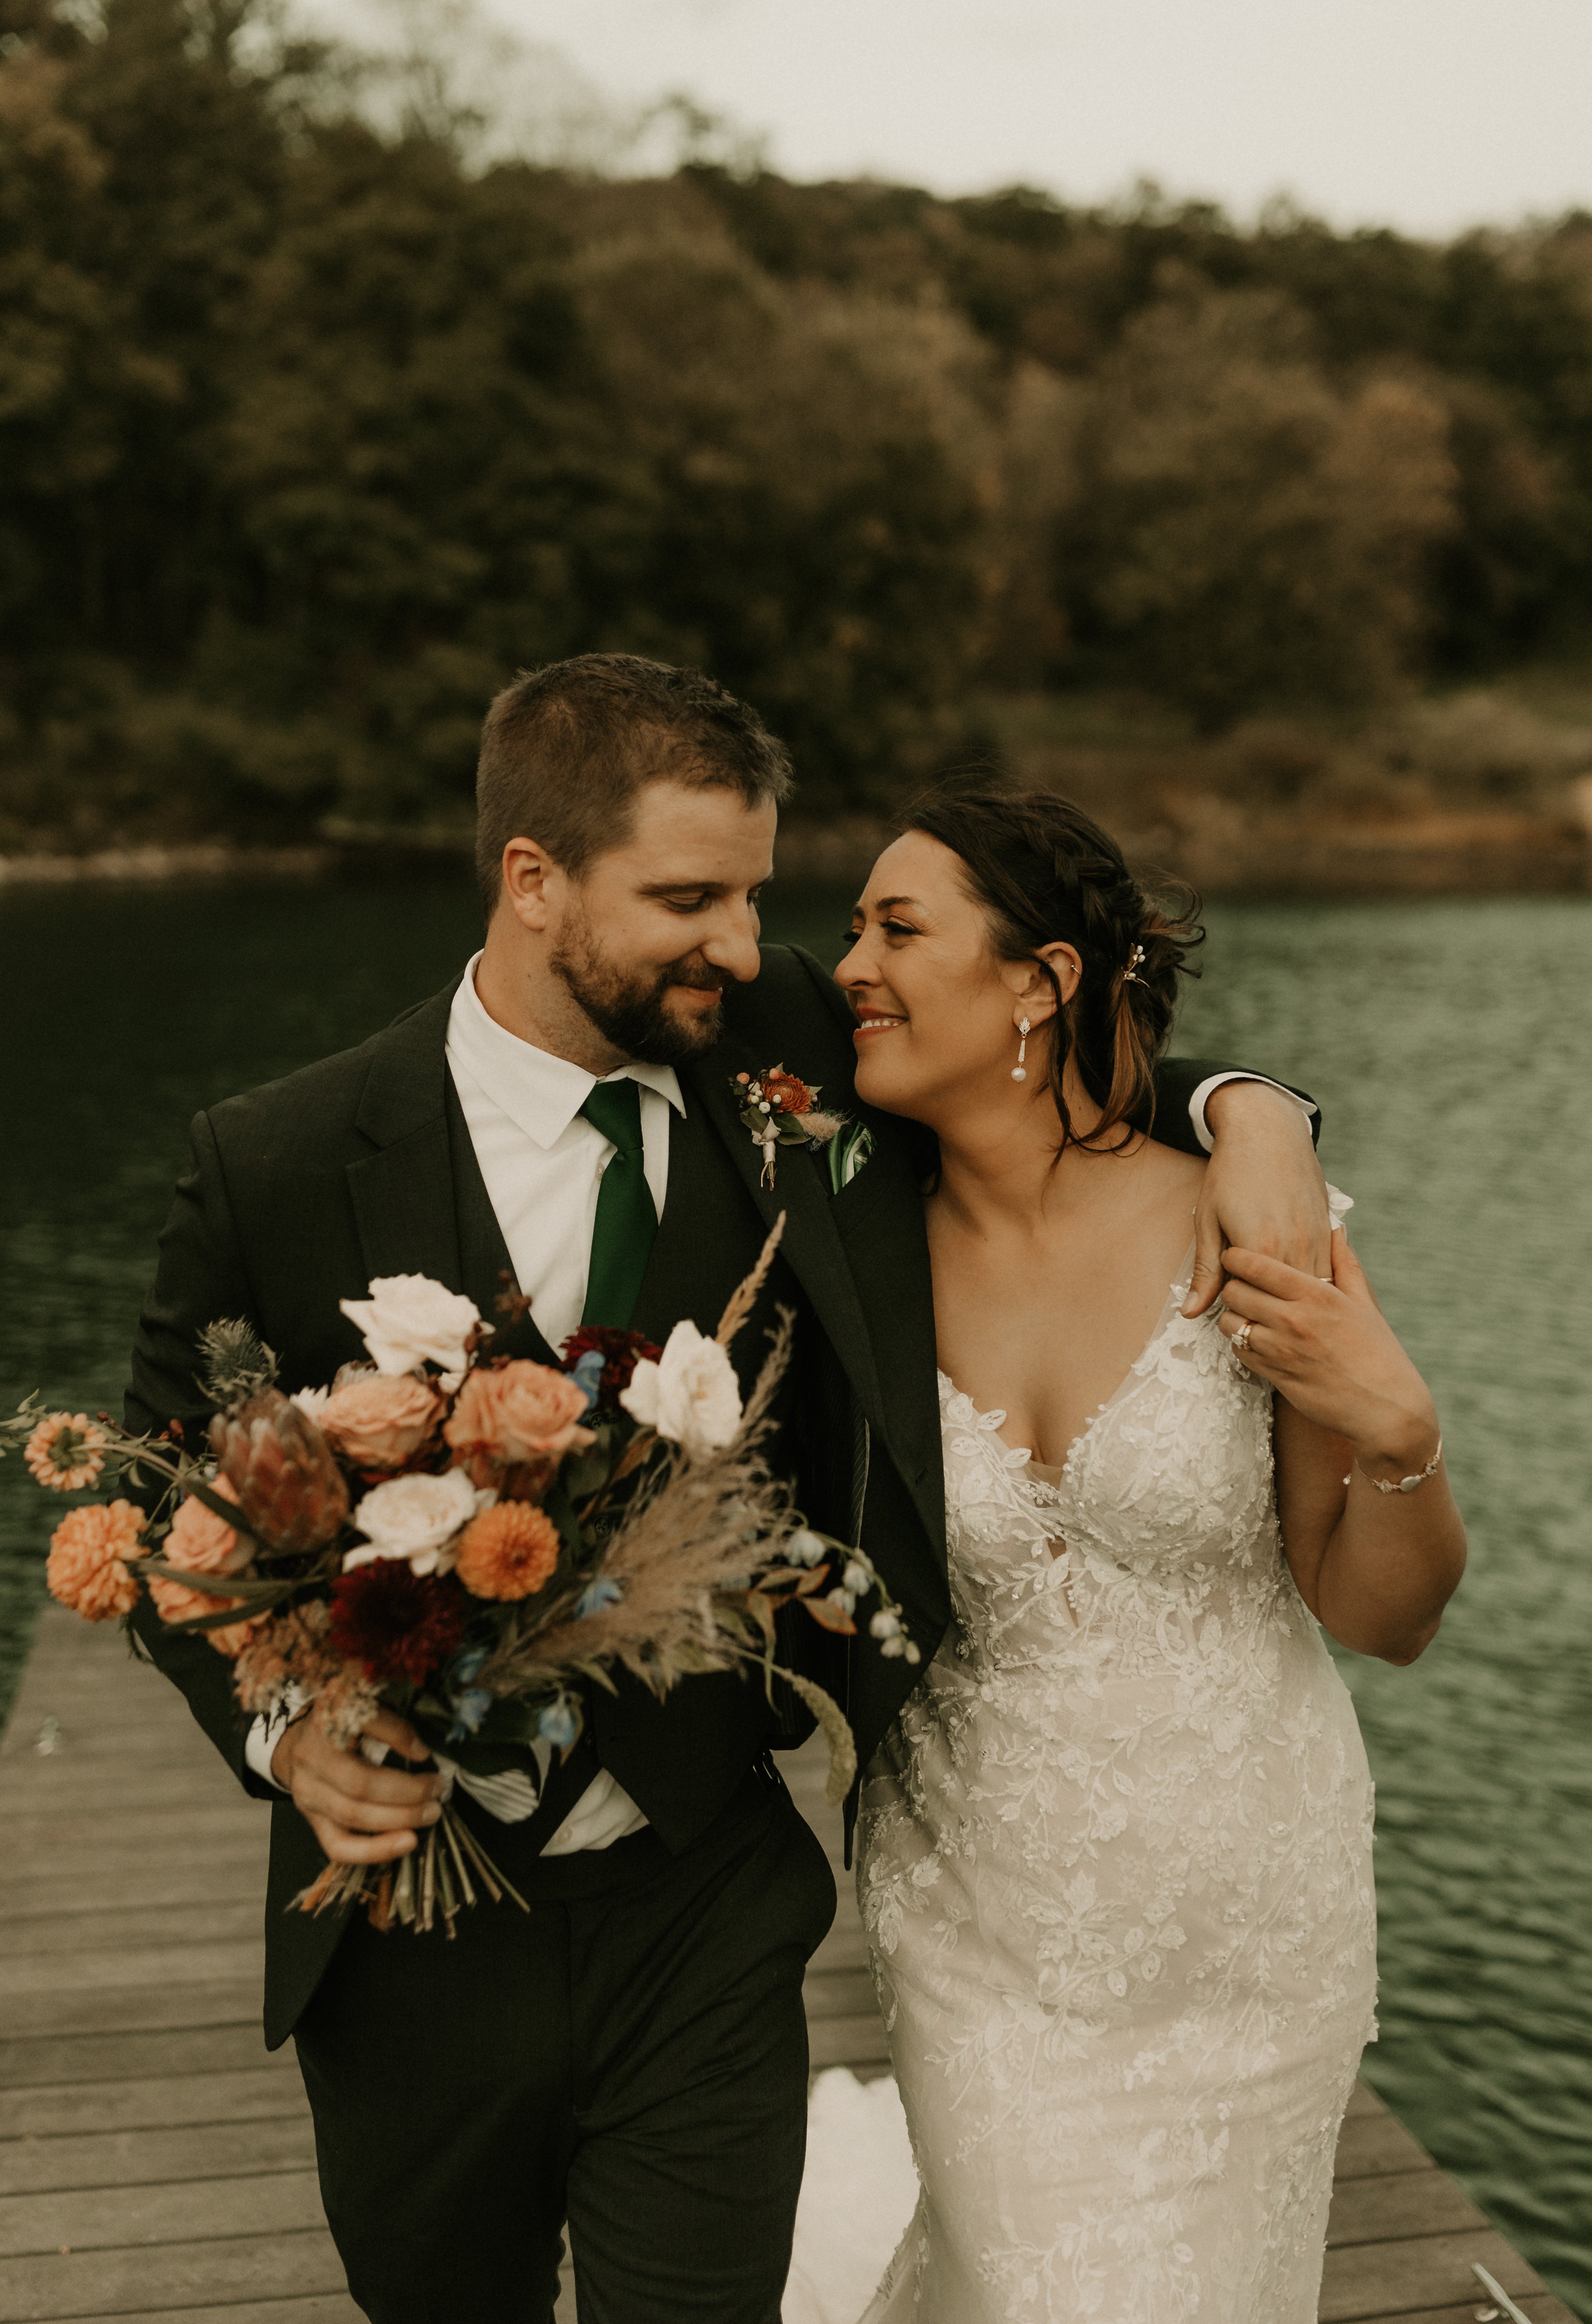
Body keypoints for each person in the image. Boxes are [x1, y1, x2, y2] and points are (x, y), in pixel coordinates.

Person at [124, 657, 1332, 2324]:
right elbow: (161, 1517)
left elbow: (1045, 1056)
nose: (749, 946)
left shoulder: (790, 1061)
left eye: (759, 892)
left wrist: (1252, 1107)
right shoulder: (278, 1156)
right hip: (408, 1940)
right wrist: (286, 1735)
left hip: (702, 1897)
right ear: (533, 880)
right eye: (688, 898)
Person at [796, 788, 1467, 2324]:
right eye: (850, 926)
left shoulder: (1244, 1230)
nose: (849, 963)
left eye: (899, 927)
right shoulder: (843, 1244)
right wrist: (1256, 1089)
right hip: (977, 1914)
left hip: (1248, 1919)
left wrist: (1400, 1430)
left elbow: (1381, 1612)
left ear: (1040, 982)